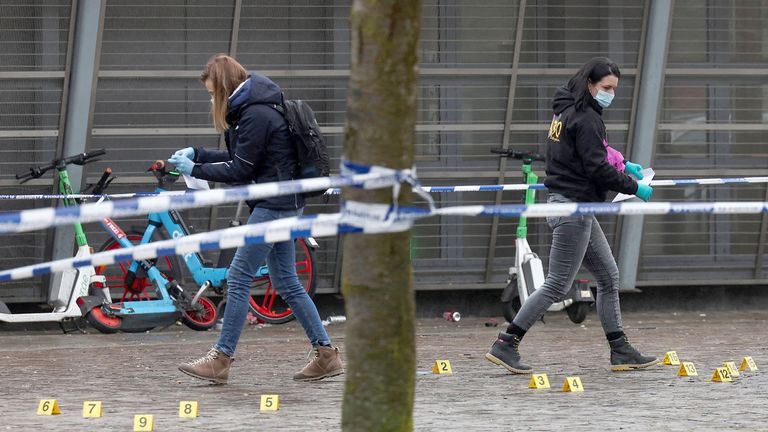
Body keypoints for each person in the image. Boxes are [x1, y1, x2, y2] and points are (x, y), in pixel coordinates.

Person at [171, 54, 343, 384]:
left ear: (223, 88)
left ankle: (221, 359)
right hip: (283, 204)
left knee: (238, 278)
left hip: (274, 206)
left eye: (212, 93)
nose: (211, 99)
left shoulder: (256, 114)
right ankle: (326, 355)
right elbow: (245, 157)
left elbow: (240, 169)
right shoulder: (255, 108)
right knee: (288, 283)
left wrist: (194, 169)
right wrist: (200, 154)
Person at [486, 57, 658, 373]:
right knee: (556, 285)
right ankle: (506, 342)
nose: (611, 94)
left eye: (615, 89)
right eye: (606, 87)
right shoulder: (588, 118)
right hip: (574, 209)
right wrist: (635, 186)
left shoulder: (566, 111)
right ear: (590, 84)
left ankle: (620, 349)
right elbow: (595, 167)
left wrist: (623, 162)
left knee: (608, 277)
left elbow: (588, 151)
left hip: (576, 207)